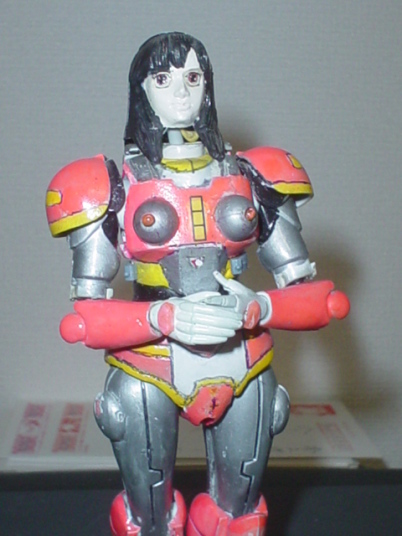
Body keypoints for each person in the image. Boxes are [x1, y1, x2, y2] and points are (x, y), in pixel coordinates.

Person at [46, 32, 349, 535]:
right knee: (149, 518)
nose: (181, 91)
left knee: (239, 516)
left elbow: (318, 299)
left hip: (243, 356)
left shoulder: (257, 173)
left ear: (208, 85)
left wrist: (259, 308)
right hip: (148, 361)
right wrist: (162, 317)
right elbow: (84, 317)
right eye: (163, 79)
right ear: (142, 90)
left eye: (193, 76)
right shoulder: (108, 184)